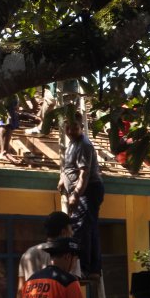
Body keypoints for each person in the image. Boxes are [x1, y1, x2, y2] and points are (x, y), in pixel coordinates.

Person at [58, 112, 104, 278]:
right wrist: (63, 178)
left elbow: (84, 175)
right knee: (89, 228)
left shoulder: (84, 144)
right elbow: (68, 165)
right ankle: (93, 269)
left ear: (82, 127)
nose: (70, 131)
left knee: (80, 228)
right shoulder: (71, 144)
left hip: (88, 190)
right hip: (83, 190)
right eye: (68, 128)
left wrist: (75, 194)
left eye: (75, 127)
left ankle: (84, 269)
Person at [0, 95, 21, 164]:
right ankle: (3, 153)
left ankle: (6, 152)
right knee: (5, 121)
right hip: (3, 96)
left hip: (10, 96)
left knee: (9, 124)